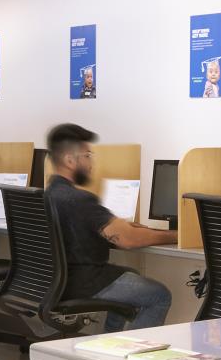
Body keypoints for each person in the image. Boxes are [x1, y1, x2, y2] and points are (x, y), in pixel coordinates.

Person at [42, 123, 177, 330]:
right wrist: (177, 236)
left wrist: (122, 225)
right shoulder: (79, 199)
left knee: (130, 274)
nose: (91, 164)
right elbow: (128, 240)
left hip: (58, 281)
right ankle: (130, 357)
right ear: (70, 160)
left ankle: (110, 342)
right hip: (83, 283)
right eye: (87, 156)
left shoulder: (50, 193)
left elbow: (111, 228)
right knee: (159, 295)